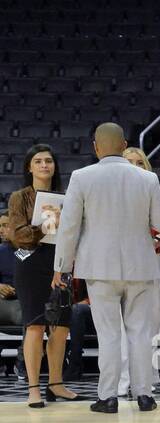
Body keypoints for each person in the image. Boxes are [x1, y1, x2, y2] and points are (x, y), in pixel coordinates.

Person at [53, 124, 160, 412]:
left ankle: (108, 397)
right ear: (124, 144)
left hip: (99, 267)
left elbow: (69, 228)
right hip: (141, 265)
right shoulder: (148, 178)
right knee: (140, 333)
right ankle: (145, 395)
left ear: (96, 147)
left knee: (109, 335)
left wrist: (62, 267)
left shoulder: (81, 177)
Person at [7, 144, 78, 406]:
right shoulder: (19, 197)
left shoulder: (66, 196)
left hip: (60, 262)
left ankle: (56, 384)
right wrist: (47, 225)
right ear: (29, 167)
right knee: (35, 326)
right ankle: (33, 387)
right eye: (38, 161)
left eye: (48, 160)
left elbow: (73, 234)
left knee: (60, 328)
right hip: (31, 265)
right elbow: (18, 236)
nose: (44, 165)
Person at [0, 213, 22, 328]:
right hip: (5, 302)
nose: (0, 230)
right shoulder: (1, 251)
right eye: (0, 226)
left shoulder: (31, 250)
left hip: (26, 300)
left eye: (5, 225)